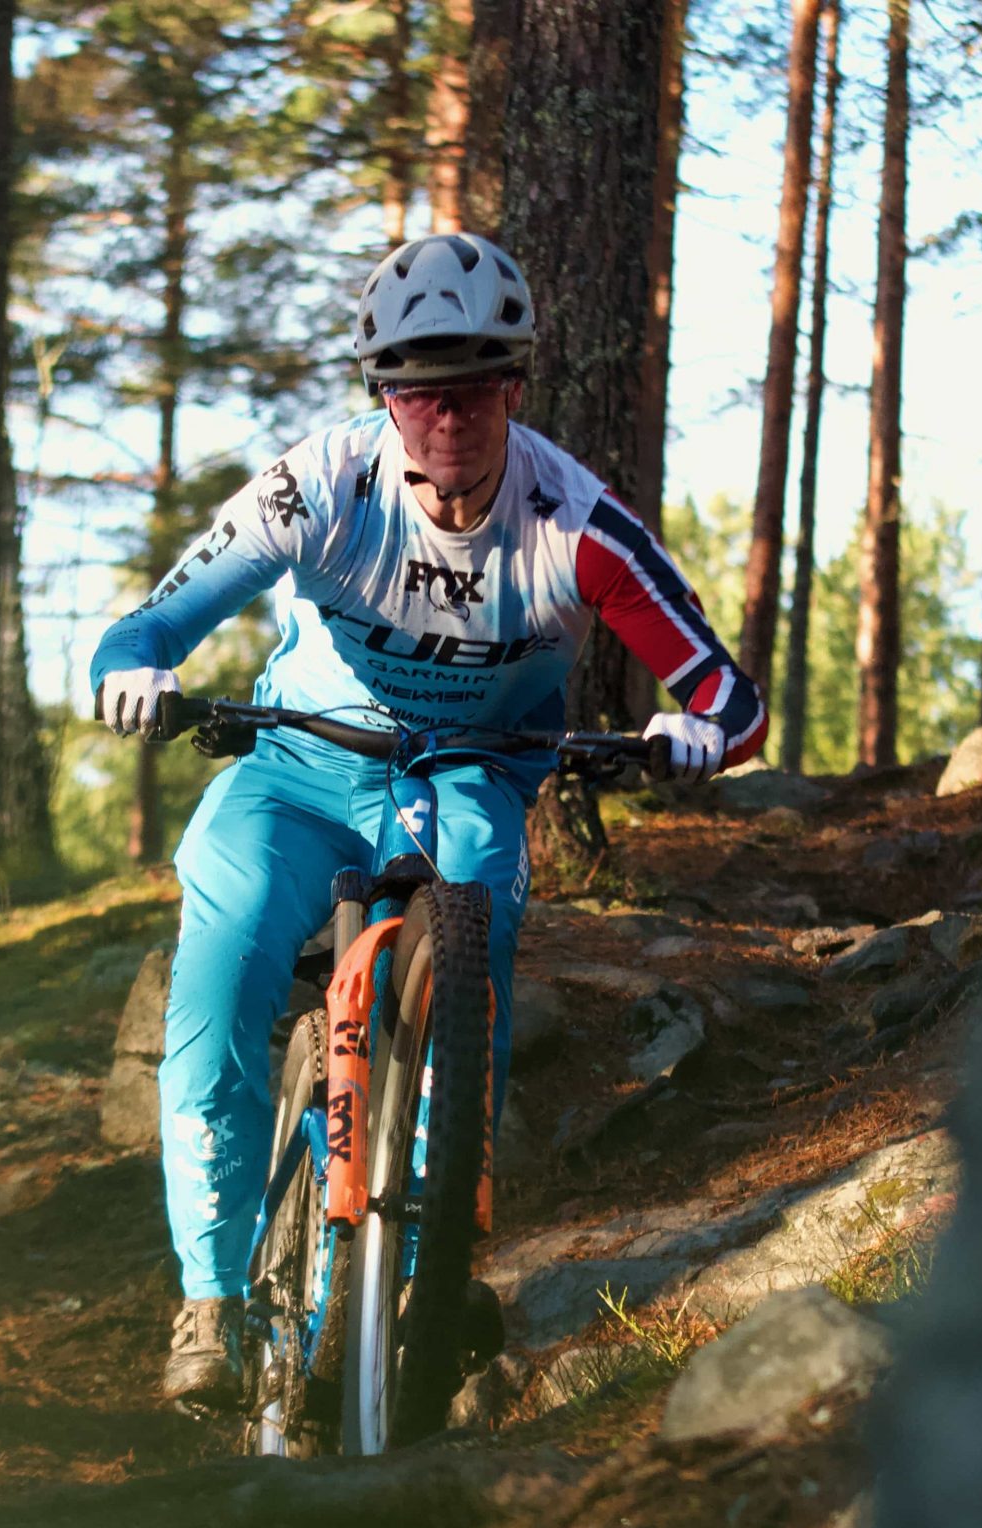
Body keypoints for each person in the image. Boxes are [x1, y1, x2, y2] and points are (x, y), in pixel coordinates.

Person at [90, 233, 767, 1406]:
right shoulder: (322, 486)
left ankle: (425, 1268)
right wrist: (135, 669)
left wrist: (696, 732)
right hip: (302, 764)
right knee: (220, 973)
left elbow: (726, 690)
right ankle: (211, 1294)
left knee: (476, 944)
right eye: (417, 389)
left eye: (475, 385)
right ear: (381, 394)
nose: (446, 415)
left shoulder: (577, 524)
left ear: (516, 385)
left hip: (471, 772)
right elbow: (153, 620)